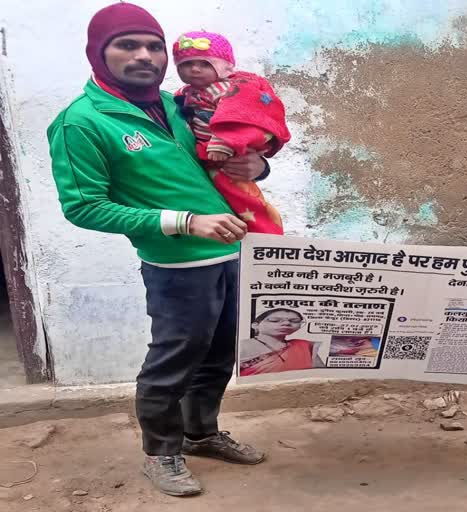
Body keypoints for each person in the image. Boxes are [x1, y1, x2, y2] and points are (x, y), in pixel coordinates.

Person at [47, 3, 270, 497]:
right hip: (176, 267)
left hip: (233, 253)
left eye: (152, 46)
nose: (144, 55)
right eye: (127, 45)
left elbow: (222, 155)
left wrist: (257, 167)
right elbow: (84, 207)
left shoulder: (176, 104)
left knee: (219, 355)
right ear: (98, 53)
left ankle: (201, 433)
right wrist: (183, 222)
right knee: (175, 360)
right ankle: (161, 451)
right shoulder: (81, 123)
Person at [172, 30, 289, 234]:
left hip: (226, 152)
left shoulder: (229, 89)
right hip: (205, 166)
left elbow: (239, 116)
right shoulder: (185, 94)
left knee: (245, 201)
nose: (195, 69)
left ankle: (267, 238)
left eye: (205, 63)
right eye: (186, 64)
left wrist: (224, 141)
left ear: (223, 66)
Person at [239, 309, 324, 375]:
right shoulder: (242, 346)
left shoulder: (305, 346)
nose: (286, 323)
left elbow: (321, 375)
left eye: (294, 321)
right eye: (274, 320)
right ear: (255, 325)